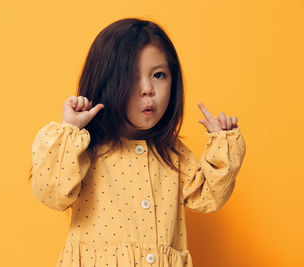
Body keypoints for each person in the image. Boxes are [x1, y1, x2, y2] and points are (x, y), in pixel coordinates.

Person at [28, 18, 246, 267]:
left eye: (158, 75)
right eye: (131, 77)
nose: (147, 89)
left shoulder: (173, 154)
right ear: (105, 81)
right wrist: (70, 130)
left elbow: (207, 198)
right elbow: (51, 194)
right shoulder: (84, 150)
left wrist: (222, 143)